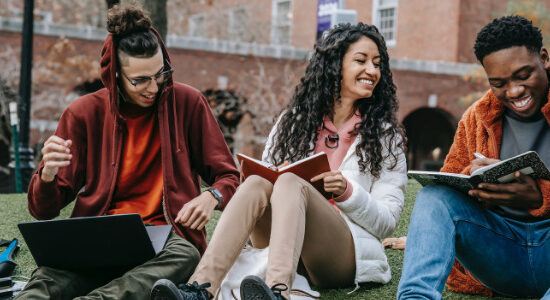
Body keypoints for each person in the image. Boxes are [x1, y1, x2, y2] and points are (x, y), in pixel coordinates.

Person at [150, 22, 408, 300]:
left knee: (290, 182)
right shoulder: (293, 121)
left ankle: (278, 291)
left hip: (341, 254)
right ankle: (200, 289)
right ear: (334, 65)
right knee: (257, 182)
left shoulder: (385, 136)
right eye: (361, 60)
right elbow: (267, 183)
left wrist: (347, 192)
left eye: (377, 64)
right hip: (280, 242)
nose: (372, 71)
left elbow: (387, 221)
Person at [17, 4, 240, 300]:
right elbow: (42, 211)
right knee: (46, 279)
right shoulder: (82, 113)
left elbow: (229, 176)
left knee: (186, 256)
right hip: (98, 235)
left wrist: (211, 197)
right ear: (115, 75)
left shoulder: (189, 103)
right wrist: (47, 174)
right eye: (140, 80)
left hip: (166, 239)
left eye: (160, 74)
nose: (154, 87)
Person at [397, 16, 550, 299]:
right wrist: (476, 179)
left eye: (523, 75)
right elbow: (451, 179)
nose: (514, 92)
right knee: (434, 197)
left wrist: (540, 197)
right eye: (499, 83)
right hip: (500, 254)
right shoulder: (477, 117)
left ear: (544, 58)